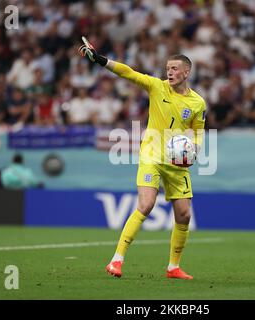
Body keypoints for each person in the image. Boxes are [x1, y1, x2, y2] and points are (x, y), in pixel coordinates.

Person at [79, 38, 206, 280]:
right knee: (146, 205)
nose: (169, 72)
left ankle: (173, 268)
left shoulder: (197, 102)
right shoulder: (157, 87)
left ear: (186, 72)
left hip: (177, 162)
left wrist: (196, 150)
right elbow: (129, 73)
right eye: (168, 68)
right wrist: (100, 60)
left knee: (184, 214)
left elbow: (198, 131)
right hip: (152, 156)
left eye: (175, 68)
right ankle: (116, 260)